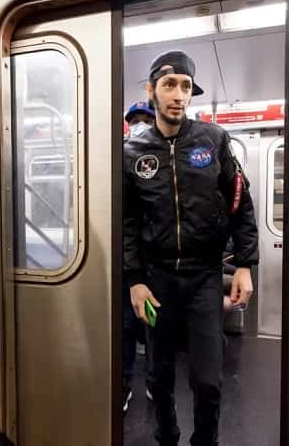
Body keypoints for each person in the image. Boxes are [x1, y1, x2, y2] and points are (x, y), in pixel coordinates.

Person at [123, 50, 259, 445]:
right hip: (156, 279)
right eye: (169, 85)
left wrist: (246, 263)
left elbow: (240, 203)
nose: (179, 95)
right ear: (151, 91)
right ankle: (168, 438)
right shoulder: (132, 152)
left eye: (186, 87)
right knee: (159, 378)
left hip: (204, 277)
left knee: (208, 380)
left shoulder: (213, 140)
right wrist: (134, 279)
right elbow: (128, 223)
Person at [122, 101, 157, 413]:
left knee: (155, 326)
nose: (140, 124)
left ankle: (154, 384)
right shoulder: (120, 156)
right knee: (125, 328)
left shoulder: (163, 156)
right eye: (135, 120)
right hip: (128, 259)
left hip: (157, 259)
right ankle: (124, 383)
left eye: (146, 119)